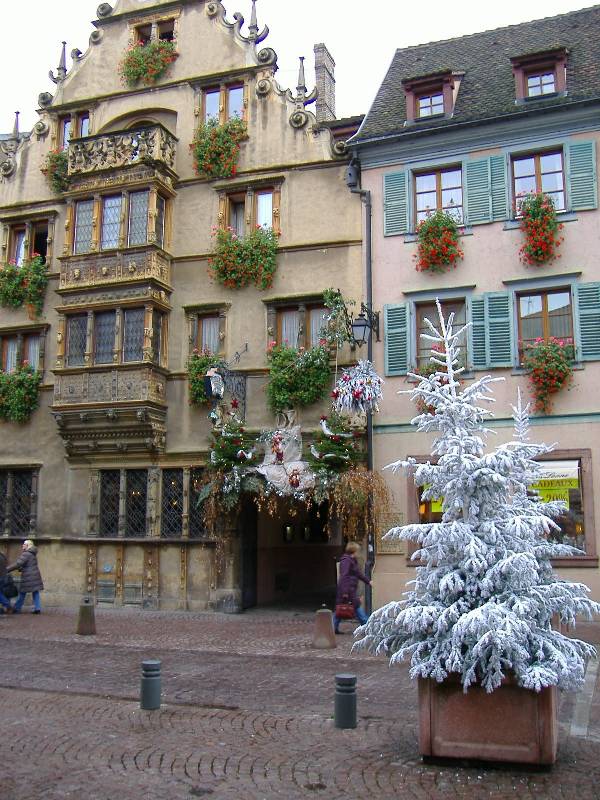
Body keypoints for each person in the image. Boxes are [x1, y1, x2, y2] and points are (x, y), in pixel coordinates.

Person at [332, 541, 371, 634]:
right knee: (356, 608)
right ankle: (367, 628)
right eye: (357, 550)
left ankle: (333, 628)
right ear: (354, 551)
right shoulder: (346, 561)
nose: (358, 552)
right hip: (347, 589)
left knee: (340, 609)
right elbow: (344, 576)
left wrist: (368, 581)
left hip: (349, 589)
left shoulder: (352, 561)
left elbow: (358, 574)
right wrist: (345, 591)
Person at [8, 540, 44, 614]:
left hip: (28, 576)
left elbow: (18, 564)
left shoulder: (26, 554)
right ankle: (38, 608)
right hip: (35, 575)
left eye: (24, 544)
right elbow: (29, 565)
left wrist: (6, 569)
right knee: (35, 592)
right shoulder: (32, 554)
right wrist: (21, 568)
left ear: (28, 546)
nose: (23, 545)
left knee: (22, 592)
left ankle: (17, 608)